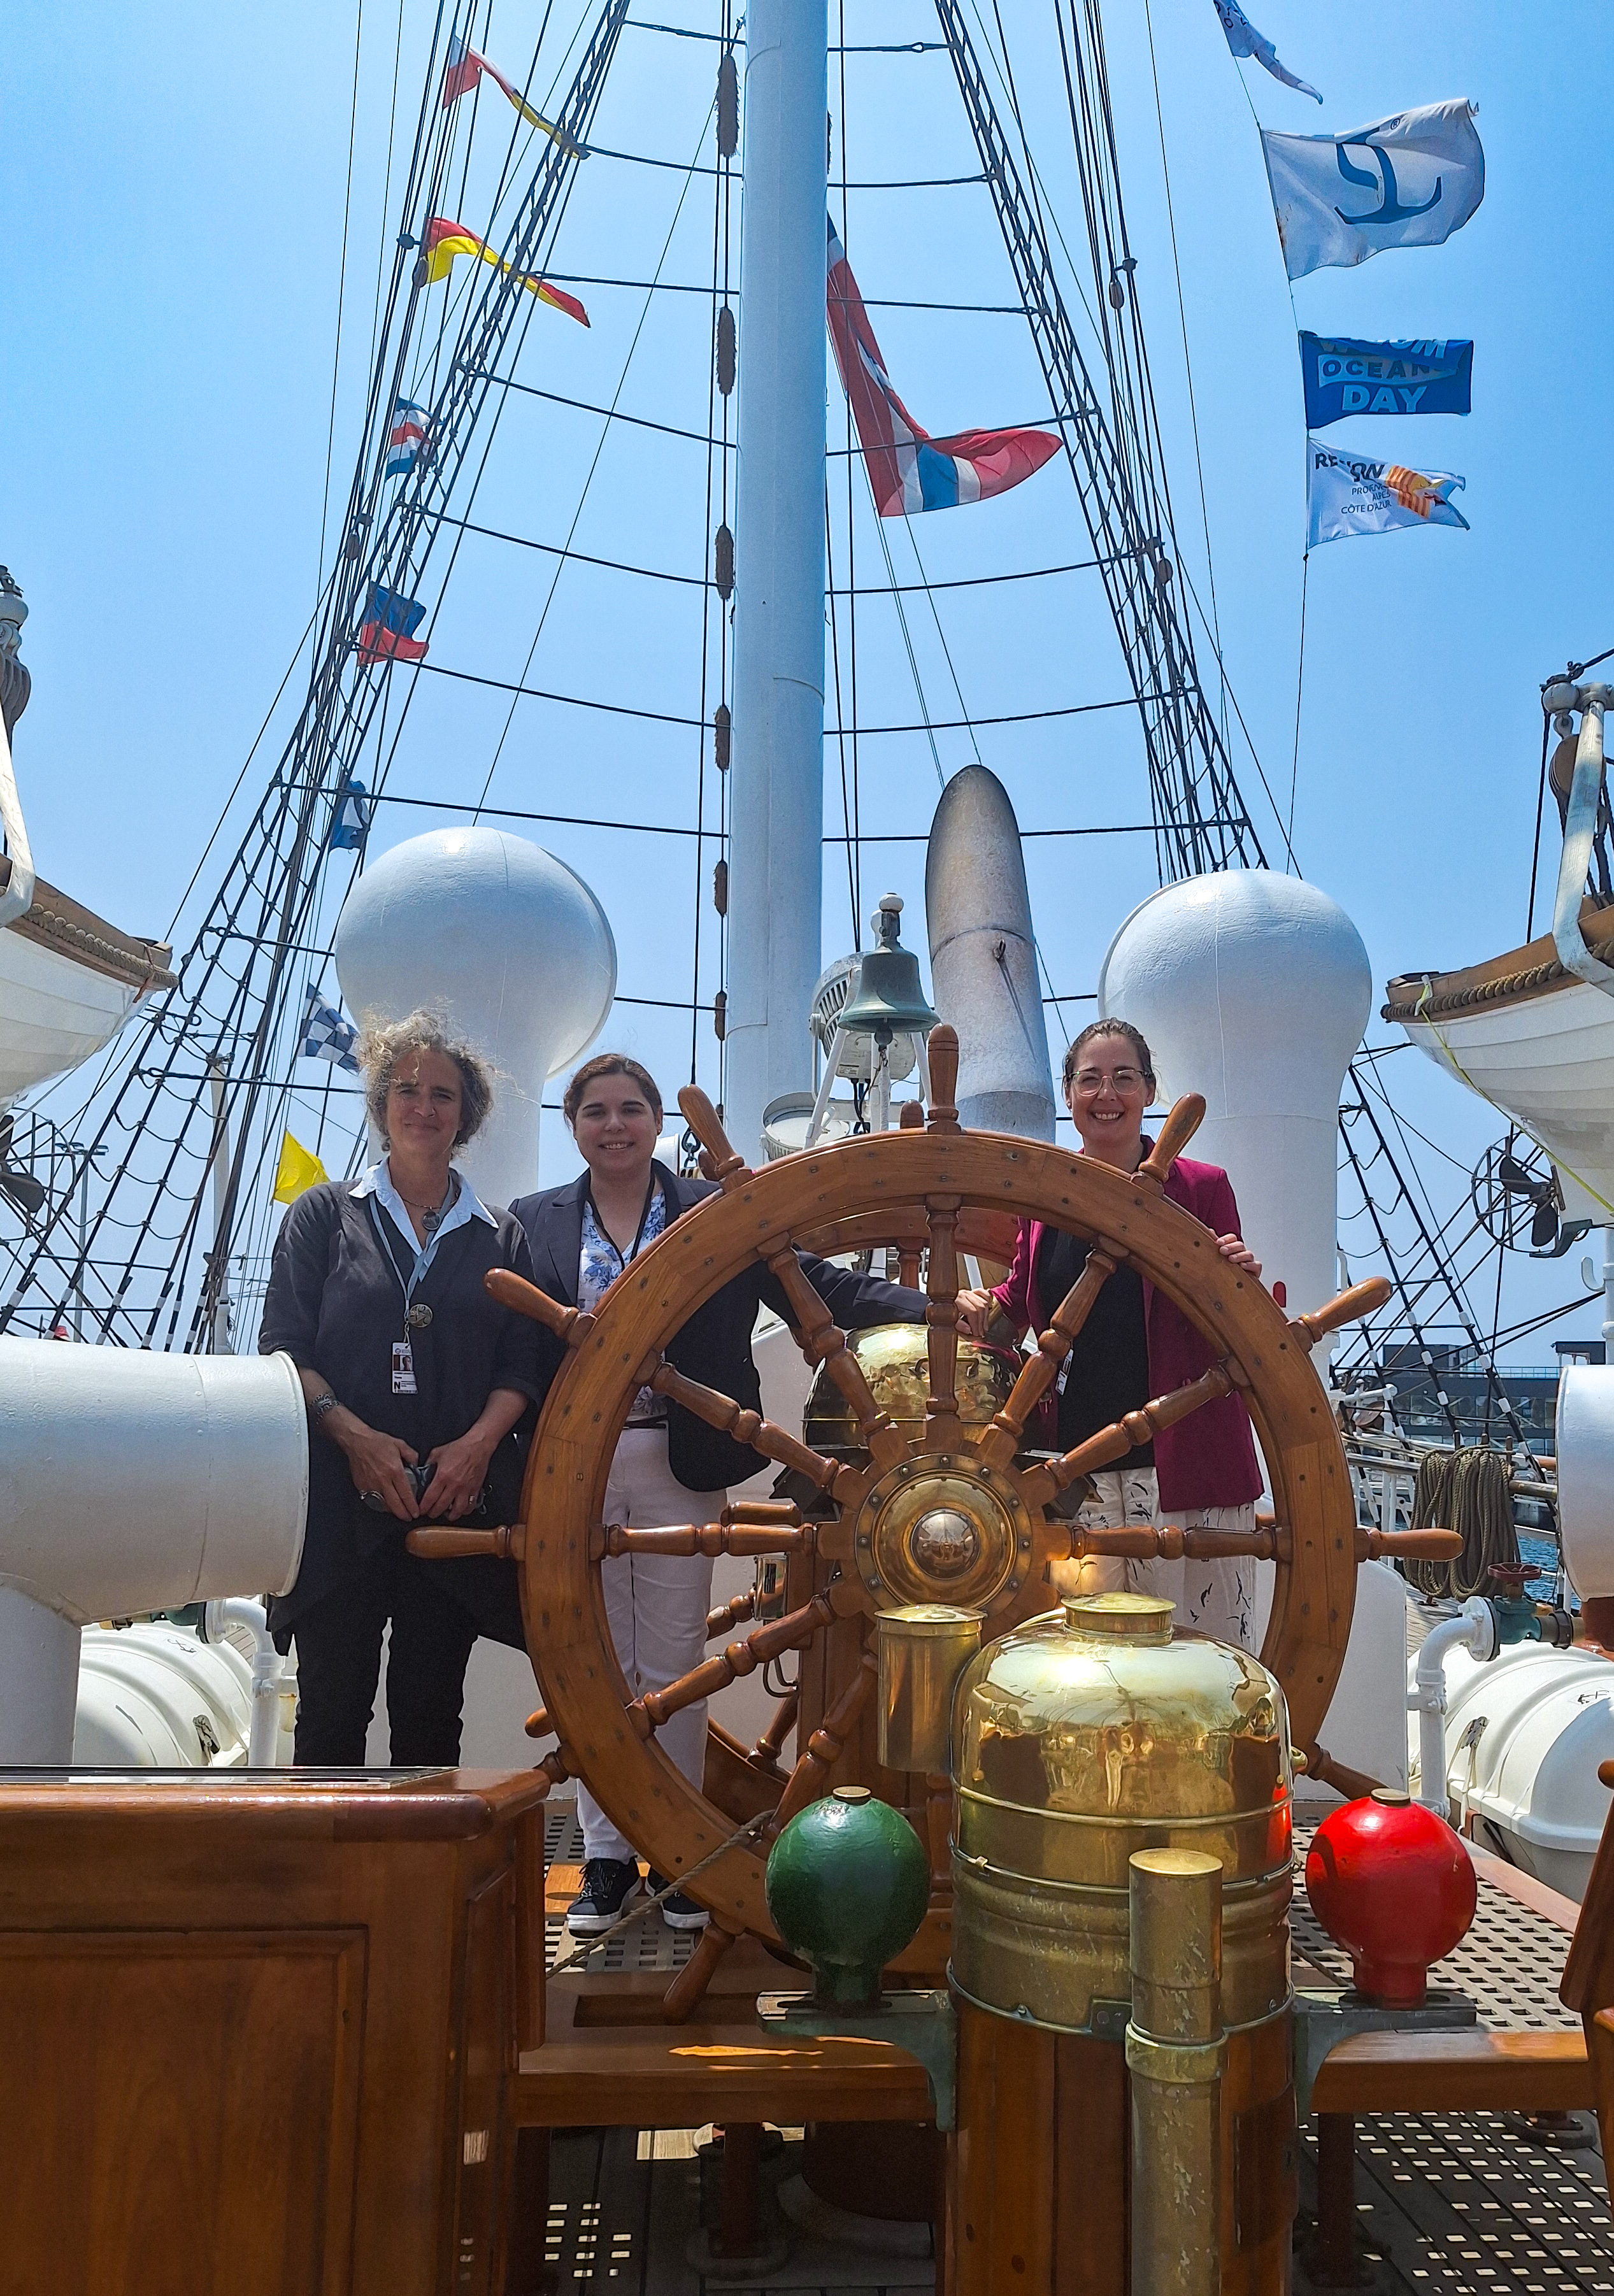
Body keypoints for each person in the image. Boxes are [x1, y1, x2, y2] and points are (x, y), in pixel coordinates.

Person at [512, 1052, 927, 1936]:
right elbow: (504, 1352)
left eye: (630, 1108)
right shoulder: (532, 1223)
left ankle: (679, 1852)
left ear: (656, 1120)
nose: (613, 1124)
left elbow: (818, 1285)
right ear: (573, 1124)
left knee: (671, 1668)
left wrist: (931, 1310)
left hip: (678, 1459)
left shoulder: (708, 1210)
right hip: (571, 1469)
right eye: (595, 1111)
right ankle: (604, 1859)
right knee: (591, 1664)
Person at [259, 1009, 546, 1764]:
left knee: (429, 1719)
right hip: (340, 1506)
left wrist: (478, 1449)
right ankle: (328, 1884)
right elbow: (285, 1347)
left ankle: (414, 1887)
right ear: (383, 1104)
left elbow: (522, 1362)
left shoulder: (502, 1236)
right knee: (329, 1712)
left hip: (450, 1506)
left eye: (443, 1094)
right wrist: (352, 1437)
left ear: (468, 1114)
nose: (424, 1106)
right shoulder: (324, 1215)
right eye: (408, 1089)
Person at [959, 1019, 1265, 1646]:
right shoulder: (1045, 1197)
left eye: (1123, 1077)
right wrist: (973, 1303)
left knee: (1201, 1666)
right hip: (1081, 1478)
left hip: (1187, 1475)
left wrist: (1235, 1274)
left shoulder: (1203, 1189)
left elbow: (1235, 1317)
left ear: (1149, 1091)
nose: (1106, 1093)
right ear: (1067, 1095)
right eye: (1089, 1078)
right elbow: (1020, 1298)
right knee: (1096, 1676)